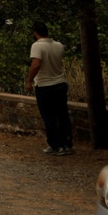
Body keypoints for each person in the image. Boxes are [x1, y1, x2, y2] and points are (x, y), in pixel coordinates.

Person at [26, 21, 73, 156]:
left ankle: (55, 145)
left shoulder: (37, 46)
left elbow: (36, 64)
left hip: (45, 85)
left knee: (49, 117)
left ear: (35, 33)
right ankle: (66, 143)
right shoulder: (58, 45)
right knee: (62, 115)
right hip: (60, 83)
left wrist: (29, 81)